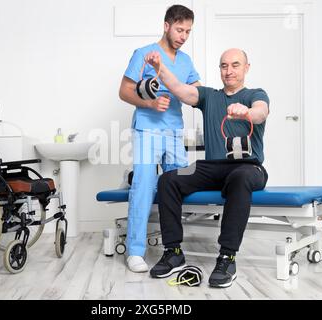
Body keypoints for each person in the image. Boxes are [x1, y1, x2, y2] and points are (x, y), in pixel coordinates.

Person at [145, 48, 270, 287]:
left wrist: (246, 112)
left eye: (235, 65)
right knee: (168, 179)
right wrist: (160, 69)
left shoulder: (256, 94)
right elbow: (181, 89)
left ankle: (227, 256)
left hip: (248, 167)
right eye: (224, 66)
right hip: (213, 167)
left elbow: (260, 112)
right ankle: (173, 252)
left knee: (240, 178)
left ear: (246, 68)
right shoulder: (209, 96)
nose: (229, 71)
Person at [118, 5, 201, 273]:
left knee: (176, 187)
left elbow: (196, 93)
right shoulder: (143, 54)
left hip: (174, 131)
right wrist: (150, 104)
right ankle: (135, 251)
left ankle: (172, 249)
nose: (183, 36)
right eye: (179, 29)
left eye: (188, 31)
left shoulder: (186, 61)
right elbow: (124, 91)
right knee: (143, 186)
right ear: (166, 26)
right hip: (147, 129)